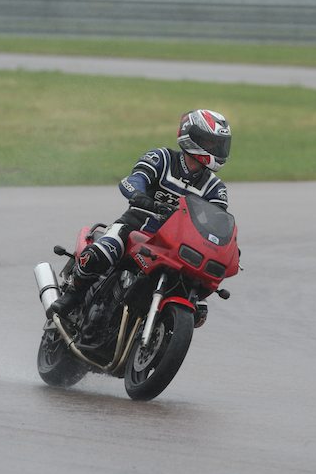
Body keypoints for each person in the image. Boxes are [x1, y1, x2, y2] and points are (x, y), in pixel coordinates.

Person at [47, 109, 232, 326]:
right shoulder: (161, 158)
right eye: (210, 142)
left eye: (219, 144)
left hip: (174, 246)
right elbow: (134, 179)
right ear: (191, 137)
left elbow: (217, 221)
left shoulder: (215, 188)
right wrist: (139, 195)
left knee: (198, 306)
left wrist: (225, 244)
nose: (216, 148)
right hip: (136, 226)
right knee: (101, 252)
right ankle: (72, 296)